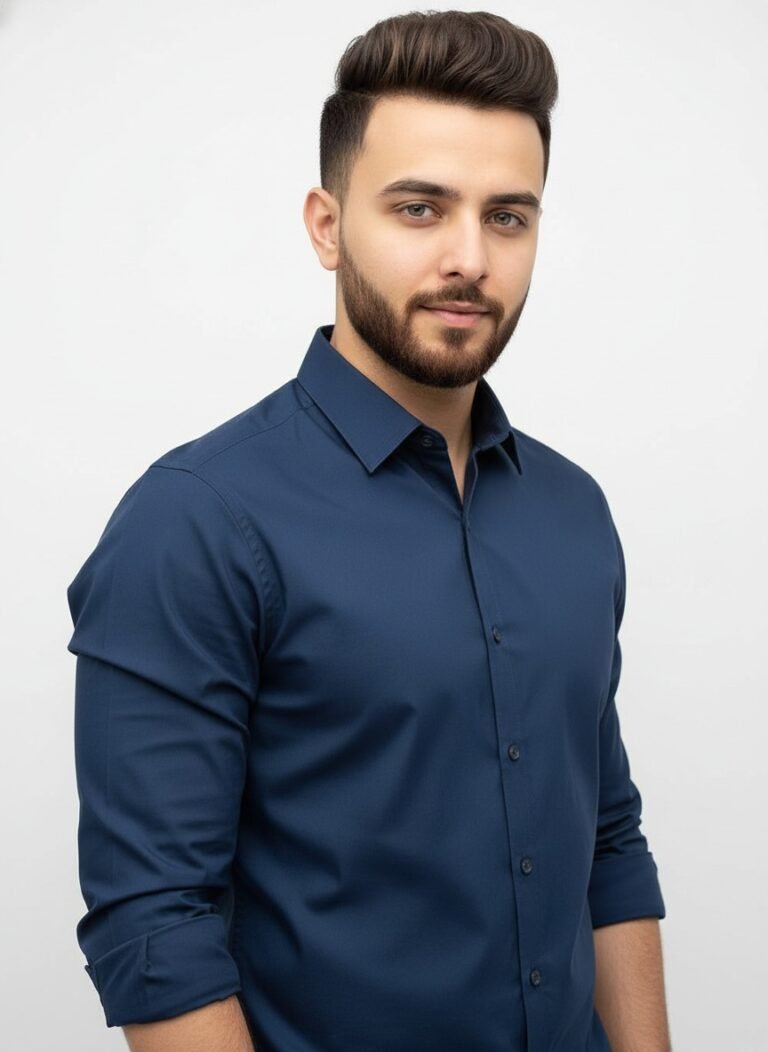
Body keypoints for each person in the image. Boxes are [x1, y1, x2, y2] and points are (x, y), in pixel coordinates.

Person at [66, 10, 671, 1052]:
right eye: (420, 208)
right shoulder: (196, 520)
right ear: (327, 224)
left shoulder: (574, 512)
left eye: (508, 216)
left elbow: (607, 842)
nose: (469, 258)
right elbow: (156, 924)